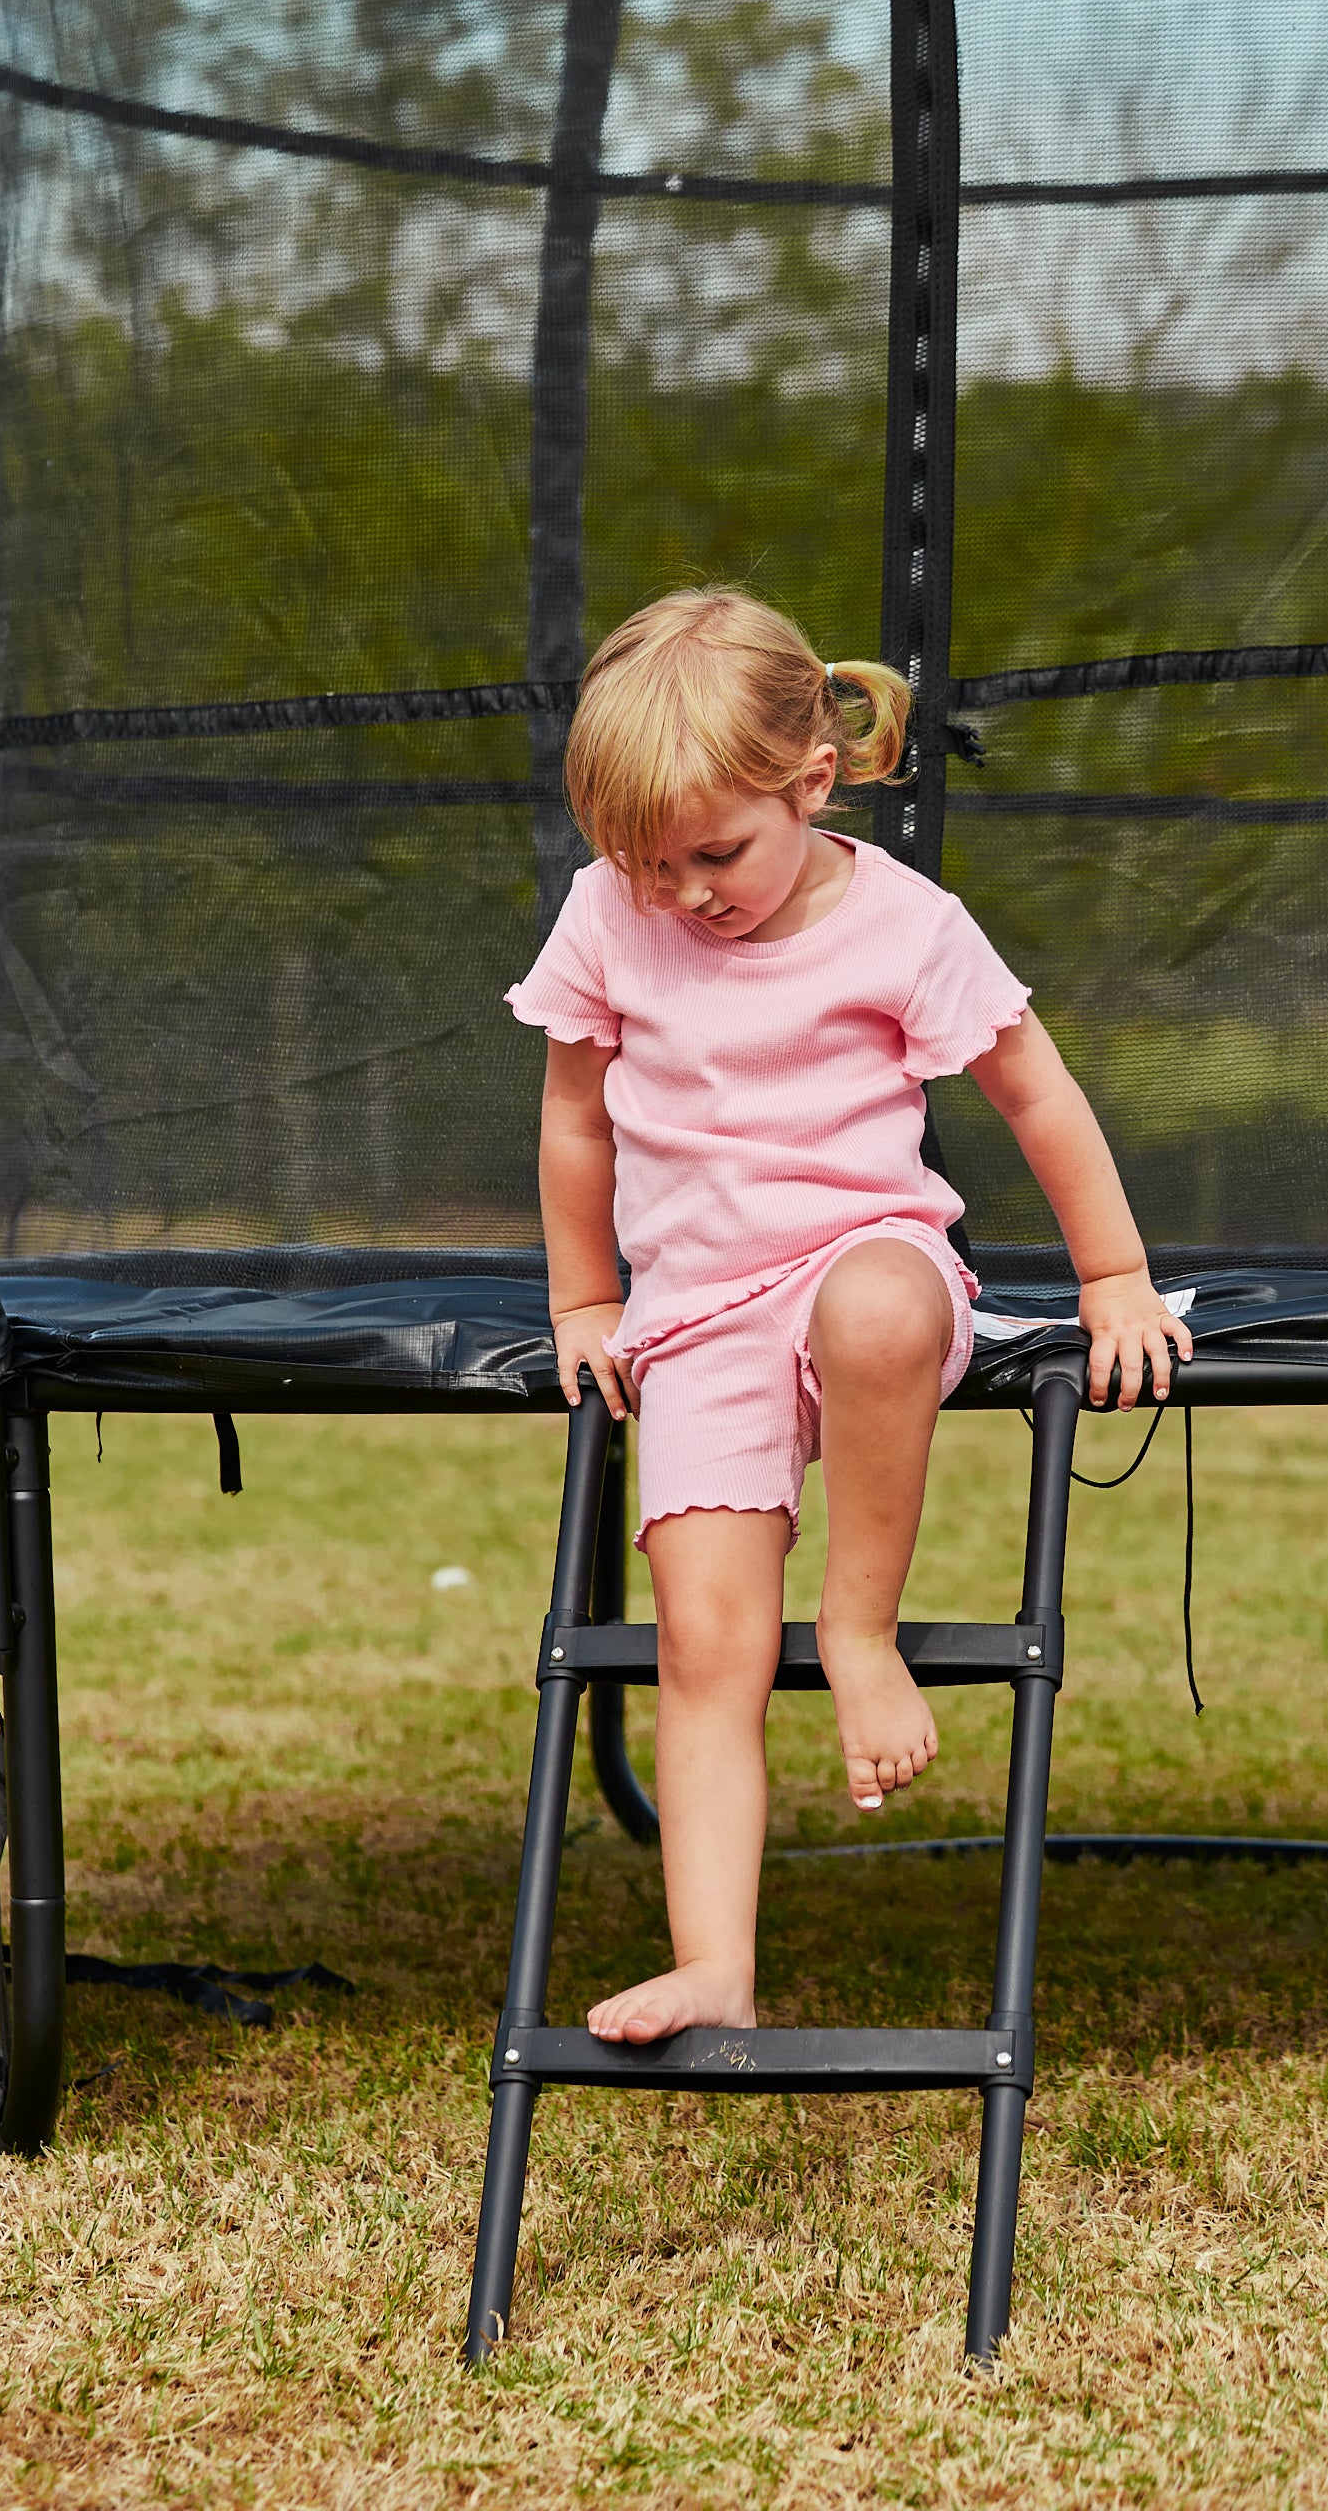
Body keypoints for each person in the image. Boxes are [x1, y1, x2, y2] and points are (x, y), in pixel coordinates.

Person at [506, 586, 1192, 2046]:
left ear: (812, 785)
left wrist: (1115, 1277)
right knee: (702, 1639)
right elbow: (576, 1122)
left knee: (879, 1303)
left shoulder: (903, 921)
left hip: (867, 1263)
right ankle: (715, 1962)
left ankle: (863, 1626)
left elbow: (1035, 1093)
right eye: (644, 859)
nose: (682, 891)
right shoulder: (607, 915)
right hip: (696, 1316)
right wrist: (584, 1297)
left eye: (714, 853)